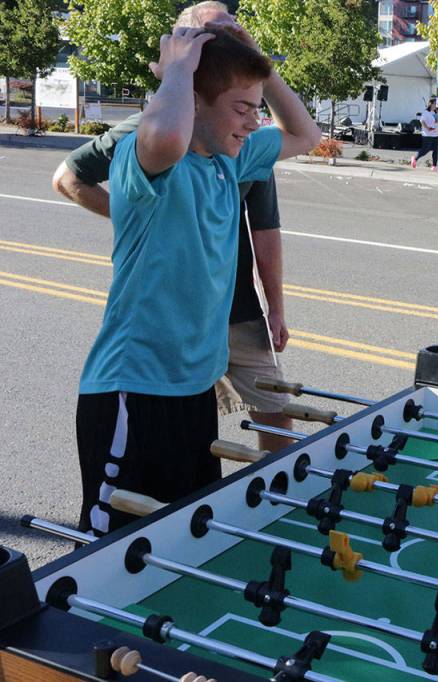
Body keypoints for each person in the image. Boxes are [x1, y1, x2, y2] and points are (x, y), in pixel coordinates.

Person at [71, 18, 320, 537]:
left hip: (192, 392)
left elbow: (305, 133)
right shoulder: (149, 162)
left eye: (255, 109)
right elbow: (164, 132)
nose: (253, 122)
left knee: (181, 542)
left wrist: (259, 65)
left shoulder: (229, 161)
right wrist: (177, 71)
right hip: (132, 390)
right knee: (112, 551)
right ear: (197, 101)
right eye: (240, 108)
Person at [52, 1, 295, 454]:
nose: (229, 39)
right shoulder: (146, 134)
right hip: (145, 373)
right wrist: (145, 216)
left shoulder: (233, 150)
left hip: (220, 335)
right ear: (186, 55)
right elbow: (68, 178)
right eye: (212, 35)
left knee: (268, 419)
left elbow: (269, 218)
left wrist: (256, 60)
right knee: (133, 512)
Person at [411, 98, 438, 171]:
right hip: (427, 134)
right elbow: (422, 121)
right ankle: (415, 158)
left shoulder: (436, 113)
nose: (436, 105)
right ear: (431, 104)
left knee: (436, 150)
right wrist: (428, 128)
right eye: (435, 104)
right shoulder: (426, 112)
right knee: (425, 149)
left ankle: (434, 166)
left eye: (436, 104)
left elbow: (437, 122)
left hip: (435, 134)